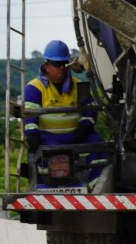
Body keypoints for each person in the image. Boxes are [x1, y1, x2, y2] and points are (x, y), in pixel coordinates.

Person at [24, 39, 107, 190]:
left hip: (75, 135)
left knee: (99, 145)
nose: (62, 68)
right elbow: (30, 115)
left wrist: (85, 126)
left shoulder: (78, 85)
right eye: (57, 64)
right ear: (47, 66)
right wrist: (32, 135)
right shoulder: (34, 87)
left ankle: (96, 188)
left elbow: (90, 109)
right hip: (49, 137)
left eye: (64, 64)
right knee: (48, 154)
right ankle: (49, 188)